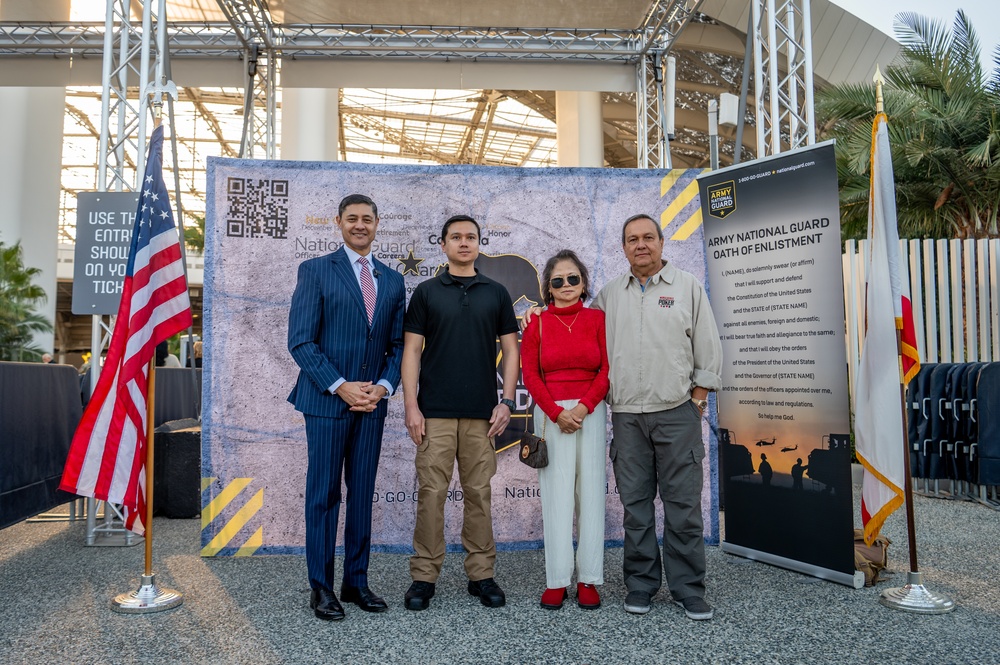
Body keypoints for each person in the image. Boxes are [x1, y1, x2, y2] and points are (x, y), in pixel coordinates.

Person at [523, 213, 722, 620]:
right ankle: (642, 585)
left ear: (662, 242)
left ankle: (688, 589)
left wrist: (698, 403)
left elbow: (708, 347)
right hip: (628, 416)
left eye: (648, 237)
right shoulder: (610, 296)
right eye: (632, 239)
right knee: (636, 506)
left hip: (675, 412)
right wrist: (532, 317)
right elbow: (570, 331)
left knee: (683, 505)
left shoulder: (687, 287)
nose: (641, 244)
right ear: (624, 247)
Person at [287, 193, 406, 621]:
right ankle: (320, 587)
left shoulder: (392, 281)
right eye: (352, 218)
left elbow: (398, 345)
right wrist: (341, 387)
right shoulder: (316, 271)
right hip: (325, 403)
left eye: (367, 219)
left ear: (377, 224)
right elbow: (301, 341)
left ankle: (356, 582)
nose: (360, 225)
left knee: (361, 496)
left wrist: (384, 387)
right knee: (323, 495)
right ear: (338, 222)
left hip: (372, 406)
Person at [401, 214, 520, 611]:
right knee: (431, 495)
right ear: (444, 244)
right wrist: (411, 406)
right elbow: (412, 352)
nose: (464, 242)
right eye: (456, 237)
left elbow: (512, 351)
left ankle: (481, 575)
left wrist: (506, 400)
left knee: (479, 494)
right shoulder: (426, 293)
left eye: (471, 237)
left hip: (481, 415)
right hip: (433, 413)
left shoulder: (497, 293)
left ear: (479, 244)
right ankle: (423, 577)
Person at [520, 249, 609, 611]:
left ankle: (588, 578)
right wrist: (557, 413)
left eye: (573, 278)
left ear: (584, 283)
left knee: (590, 495)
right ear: (548, 288)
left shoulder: (598, 319)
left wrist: (584, 407)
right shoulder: (536, 325)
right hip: (552, 416)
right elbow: (530, 375)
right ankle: (557, 579)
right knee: (556, 498)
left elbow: (605, 370)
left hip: (591, 412)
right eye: (558, 280)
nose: (567, 285)